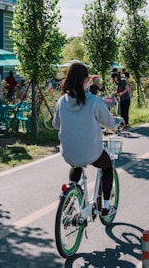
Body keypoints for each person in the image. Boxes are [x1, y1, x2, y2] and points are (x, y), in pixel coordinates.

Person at [52, 63, 116, 217]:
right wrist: (118, 123)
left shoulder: (62, 101)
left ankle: (70, 194)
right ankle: (106, 207)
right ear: (86, 80)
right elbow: (109, 124)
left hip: (68, 152)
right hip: (92, 152)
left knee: (76, 165)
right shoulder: (93, 100)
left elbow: (56, 125)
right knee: (107, 168)